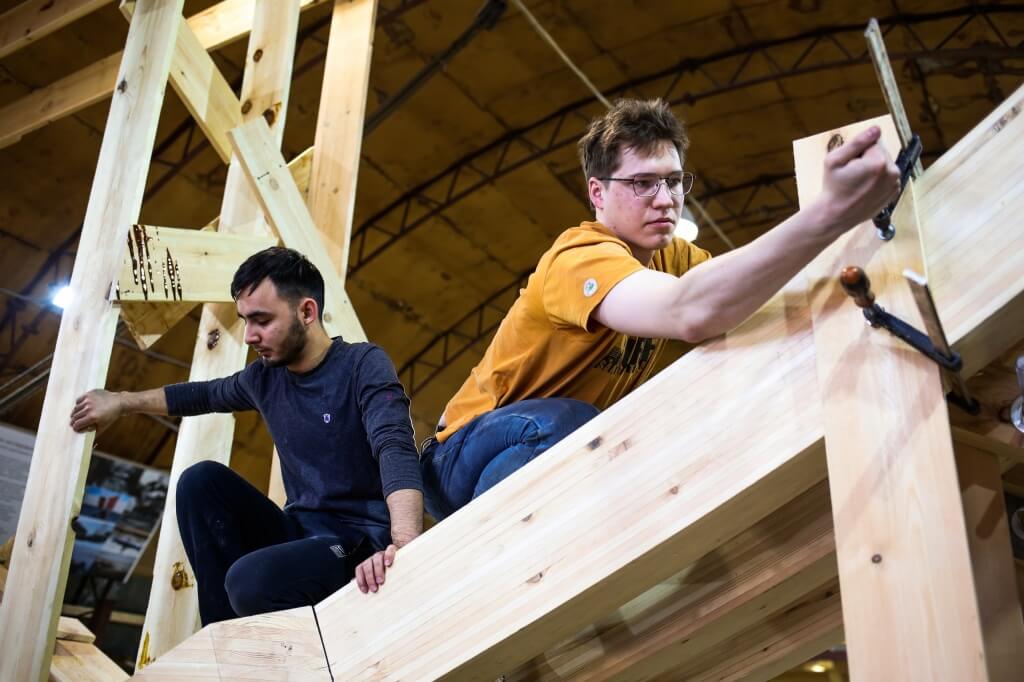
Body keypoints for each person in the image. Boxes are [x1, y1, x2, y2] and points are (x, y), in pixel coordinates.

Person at [420, 98, 900, 521]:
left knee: (626, 431)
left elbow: (745, 297)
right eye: (643, 184)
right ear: (597, 193)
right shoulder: (578, 256)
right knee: (575, 426)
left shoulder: (676, 258)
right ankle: (485, 547)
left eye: (673, 181)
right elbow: (688, 311)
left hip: (550, 447)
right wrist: (826, 214)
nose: (666, 200)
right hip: (461, 457)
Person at [70, 247, 422, 622]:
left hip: (356, 543)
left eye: (262, 320)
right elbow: (202, 395)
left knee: (248, 581)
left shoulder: (361, 364)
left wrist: (404, 549)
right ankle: (222, 636)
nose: (250, 335)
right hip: (301, 533)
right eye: (245, 320)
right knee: (200, 481)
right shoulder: (263, 378)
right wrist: (121, 401)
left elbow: (394, 446)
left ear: (307, 312)